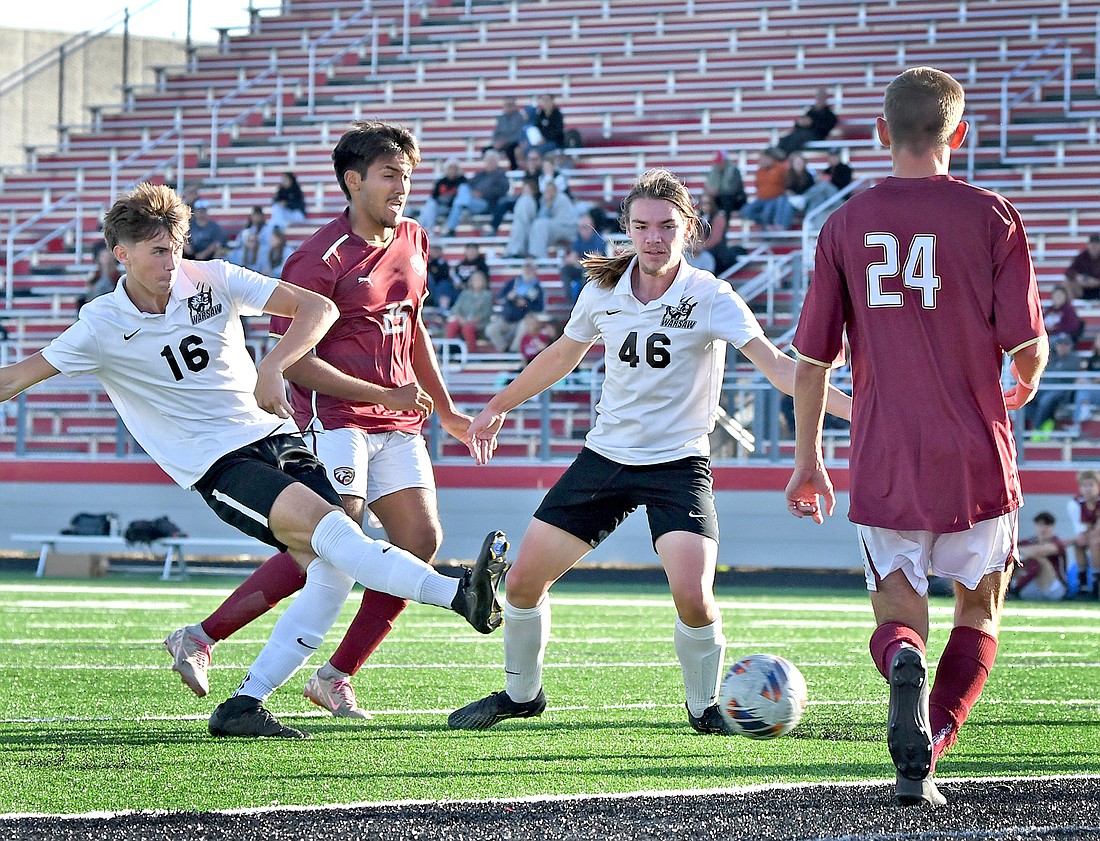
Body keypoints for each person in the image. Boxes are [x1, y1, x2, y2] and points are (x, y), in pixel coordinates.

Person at [0, 181, 507, 740]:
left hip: (276, 434)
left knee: (333, 567)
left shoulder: (212, 278)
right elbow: (17, 378)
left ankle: (245, 702)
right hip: (219, 462)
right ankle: (458, 592)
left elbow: (317, 307)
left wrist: (274, 365)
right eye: (157, 252)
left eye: (176, 248)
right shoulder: (100, 324)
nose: (172, 263)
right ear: (121, 254)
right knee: (333, 536)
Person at [448, 168, 852, 736]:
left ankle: (705, 710)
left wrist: (863, 413)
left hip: (678, 466)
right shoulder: (605, 291)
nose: (654, 238)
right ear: (628, 230)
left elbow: (782, 369)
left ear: (689, 228)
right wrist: (497, 405)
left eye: (666, 226)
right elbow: (563, 354)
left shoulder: (710, 295)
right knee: (520, 584)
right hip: (605, 459)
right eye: (642, 227)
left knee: (693, 594)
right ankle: (521, 697)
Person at [162, 121, 505, 730]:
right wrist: (384, 391)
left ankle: (333, 676)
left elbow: (412, 325)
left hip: (399, 418)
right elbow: (293, 359)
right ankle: (209, 641)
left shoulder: (415, 239)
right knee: (331, 547)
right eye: (389, 175)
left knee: (419, 542)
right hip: (335, 419)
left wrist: (444, 407)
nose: (402, 186)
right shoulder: (316, 257)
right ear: (353, 181)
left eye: (407, 175)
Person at [784, 67, 1047, 807]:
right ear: (959, 134)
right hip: (975, 452)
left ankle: (904, 660)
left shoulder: (842, 224)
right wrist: (1026, 375)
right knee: (979, 610)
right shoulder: (994, 216)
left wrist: (808, 461)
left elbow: (811, 361)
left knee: (900, 616)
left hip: (883, 451)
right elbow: (1027, 346)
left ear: (879, 136)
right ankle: (930, 744)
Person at [441, 149, 511, 236]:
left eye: (492, 161)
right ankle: (461, 207)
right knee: (463, 188)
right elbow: (468, 185)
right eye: (488, 161)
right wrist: (473, 193)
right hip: (472, 201)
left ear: (496, 162)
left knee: (459, 203)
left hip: (487, 203)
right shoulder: (480, 175)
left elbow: (503, 190)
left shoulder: (500, 175)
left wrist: (482, 194)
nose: (490, 163)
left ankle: (450, 228)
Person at [505, 180, 578, 259]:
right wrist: (546, 206)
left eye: (551, 190)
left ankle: (537, 256)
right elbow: (541, 217)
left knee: (540, 224)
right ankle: (514, 251)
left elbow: (566, 220)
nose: (549, 192)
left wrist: (549, 205)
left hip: (567, 227)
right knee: (521, 225)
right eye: (547, 190)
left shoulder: (561, 198)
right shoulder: (543, 201)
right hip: (551, 228)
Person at [485, 258, 545, 352]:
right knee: (490, 329)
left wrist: (526, 304)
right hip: (507, 317)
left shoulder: (537, 288)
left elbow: (540, 307)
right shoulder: (513, 283)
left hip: (523, 318)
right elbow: (500, 297)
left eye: (530, 269)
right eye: (526, 268)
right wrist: (508, 297)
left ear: (534, 271)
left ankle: (514, 350)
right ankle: (504, 348)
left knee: (524, 326)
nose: (528, 271)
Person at [1024, 332, 1077, 432]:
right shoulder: (1050, 357)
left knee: (1046, 401)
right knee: (1026, 399)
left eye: (1065, 345)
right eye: (1060, 344)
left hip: (1062, 391)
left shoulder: (1074, 359)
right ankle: (1026, 430)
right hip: (1045, 388)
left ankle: (1037, 430)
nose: (1062, 347)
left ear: (1070, 346)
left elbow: (1061, 375)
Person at [1010, 511, 1068, 601]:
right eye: (1040, 525)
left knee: (1040, 559)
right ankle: (1011, 588)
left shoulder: (1057, 542)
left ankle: (1016, 589)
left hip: (1054, 587)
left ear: (1052, 526)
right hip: (1033, 585)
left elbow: (1042, 550)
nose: (1043, 528)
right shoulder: (1028, 542)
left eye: (1047, 525)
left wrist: (1023, 552)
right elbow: (1011, 550)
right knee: (1015, 560)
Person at [1066, 469, 1100, 599]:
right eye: (1084, 485)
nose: (1088, 489)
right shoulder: (1074, 504)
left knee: (1095, 542)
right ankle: (1083, 585)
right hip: (1090, 536)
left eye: (1091, 485)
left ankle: (1096, 585)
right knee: (1078, 543)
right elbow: (1080, 531)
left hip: (1095, 537)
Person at [741, 148, 793, 232]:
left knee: (767, 211)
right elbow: (757, 185)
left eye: (763, 158)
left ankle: (769, 228)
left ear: (770, 158)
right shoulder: (759, 171)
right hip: (761, 199)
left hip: (775, 198)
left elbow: (788, 182)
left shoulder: (781, 169)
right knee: (746, 211)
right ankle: (765, 225)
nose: (761, 161)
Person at [777, 88, 839, 155]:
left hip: (816, 136)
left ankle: (783, 154)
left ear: (825, 99)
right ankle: (777, 152)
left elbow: (824, 130)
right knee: (786, 138)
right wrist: (800, 123)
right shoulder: (811, 112)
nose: (819, 100)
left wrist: (812, 123)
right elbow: (798, 125)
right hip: (803, 133)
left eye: (821, 98)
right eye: (818, 97)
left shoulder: (830, 115)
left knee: (799, 137)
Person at [445, 268, 494, 350]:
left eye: (479, 280)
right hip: (463, 320)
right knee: (452, 325)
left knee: (468, 329)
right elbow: (456, 308)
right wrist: (461, 319)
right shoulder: (465, 293)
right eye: (475, 280)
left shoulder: (487, 295)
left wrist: (469, 321)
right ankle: (448, 350)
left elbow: (486, 313)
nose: (477, 282)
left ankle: (472, 353)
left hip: (479, 323)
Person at [416, 159, 466, 233]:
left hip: (452, 208)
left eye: (454, 168)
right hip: (440, 207)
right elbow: (434, 197)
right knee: (430, 206)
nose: (452, 171)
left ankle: (421, 230)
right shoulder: (441, 181)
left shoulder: (461, 181)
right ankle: (427, 229)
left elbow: (461, 198)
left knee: (427, 209)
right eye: (450, 168)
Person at [485, 95, 526, 170]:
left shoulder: (520, 117)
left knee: (510, 149)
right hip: (501, 143)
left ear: (514, 105)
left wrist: (505, 141)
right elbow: (496, 132)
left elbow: (519, 134)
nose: (508, 107)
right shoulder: (501, 118)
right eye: (506, 104)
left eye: (510, 104)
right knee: (486, 150)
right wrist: (495, 143)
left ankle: (514, 168)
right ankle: (491, 169)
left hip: (514, 142)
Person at [77, 243, 122, 310]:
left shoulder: (119, 277)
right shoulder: (93, 276)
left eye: (108, 257)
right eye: (104, 257)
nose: (107, 260)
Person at [1072, 332, 1100, 426]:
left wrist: (1089, 382)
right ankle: (1081, 416)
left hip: (1094, 389)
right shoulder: (1092, 359)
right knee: (1081, 391)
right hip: (1092, 391)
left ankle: (1079, 420)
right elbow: (1086, 374)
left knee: (1084, 389)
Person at [425, 242, 460, 312]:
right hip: (428, 288)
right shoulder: (424, 262)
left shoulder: (444, 264)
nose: (435, 252)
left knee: (444, 284)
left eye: (437, 250)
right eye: (433, 249)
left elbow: (444, 276)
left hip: (441, 290)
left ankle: (442, 308)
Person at [1064, 234, 1100, 300]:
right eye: (1092, 244)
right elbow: (1069, 271)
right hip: (1083, 289)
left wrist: (1096, 282)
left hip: (1098, 288)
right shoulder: (1082, 257)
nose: (1094, 247)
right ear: (1088, 245)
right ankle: (1070, 308)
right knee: (1067, 283)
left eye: (1096, 244)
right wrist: (1077, 277)